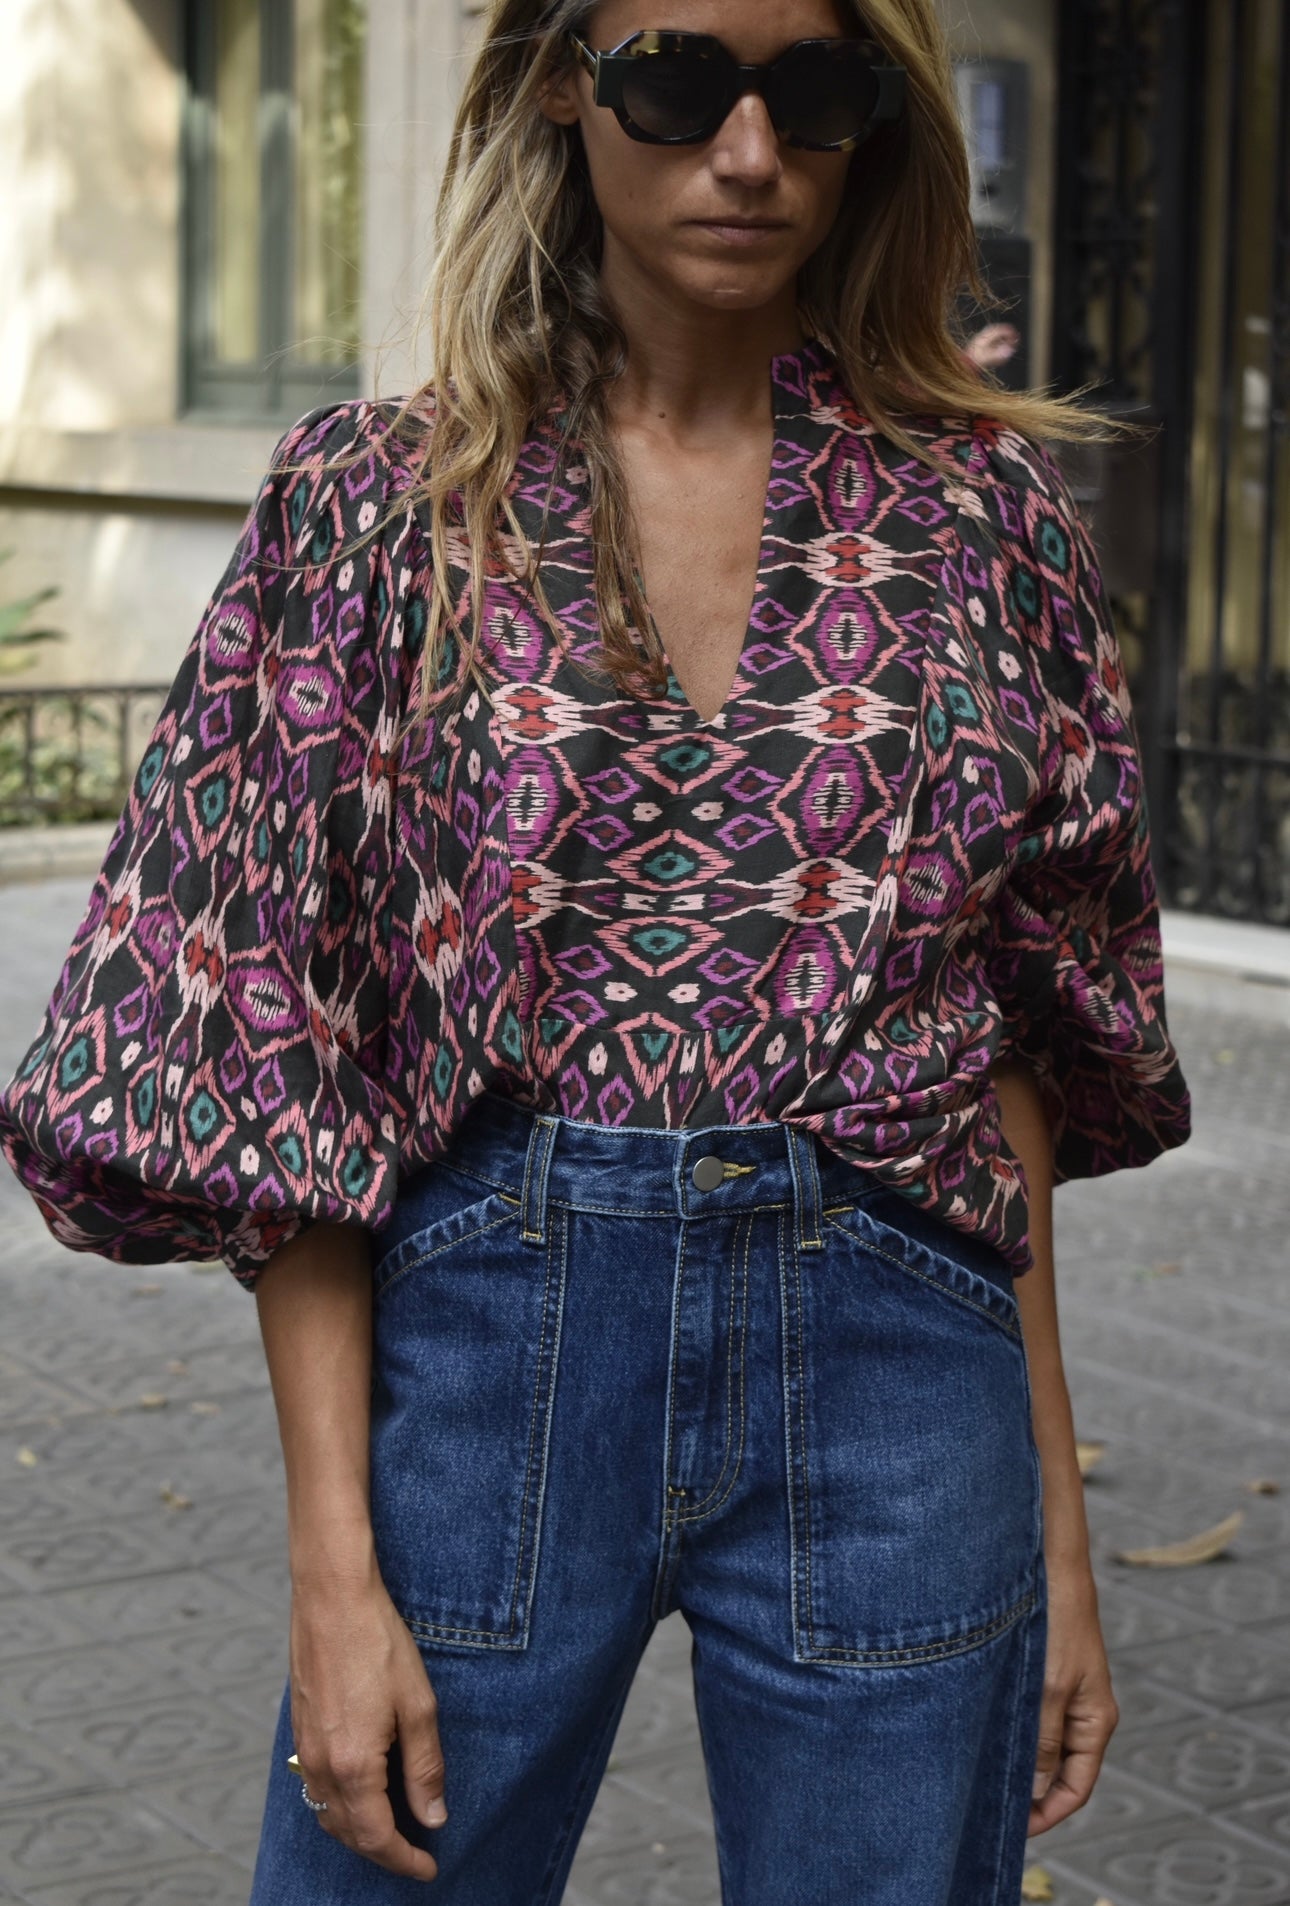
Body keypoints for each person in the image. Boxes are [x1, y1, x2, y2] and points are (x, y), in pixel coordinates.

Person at [0, 0, 1193, 1899]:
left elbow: (1008, 1055)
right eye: (675, 78)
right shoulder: (378, 504)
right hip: (495, 1336)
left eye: (812, 93)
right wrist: (330, 1569)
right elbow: (279, 1043)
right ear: (563, 82)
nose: (748, 153)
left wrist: (1052, 1526)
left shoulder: (982, 520)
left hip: (900, 1359)